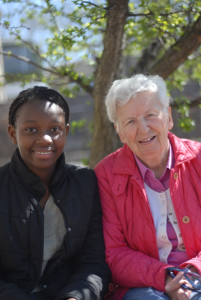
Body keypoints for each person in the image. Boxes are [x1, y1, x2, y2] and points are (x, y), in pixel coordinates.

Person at [94, 74, 201, 300]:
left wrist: (191, 275)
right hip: (144, 287)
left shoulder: (199, 159)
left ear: (169, 117)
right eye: (130, 121)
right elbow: (114, 254)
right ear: (120, 132)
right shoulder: (105, 176)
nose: (143, 128)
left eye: (151, 115)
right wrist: (165, 277)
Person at [0, 86, 110, 300]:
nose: (45, 139)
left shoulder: (86, 183)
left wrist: (75, 297)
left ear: (66, 131)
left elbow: (93, 263)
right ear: (13, 133)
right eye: (31, 130)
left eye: (54, 129)